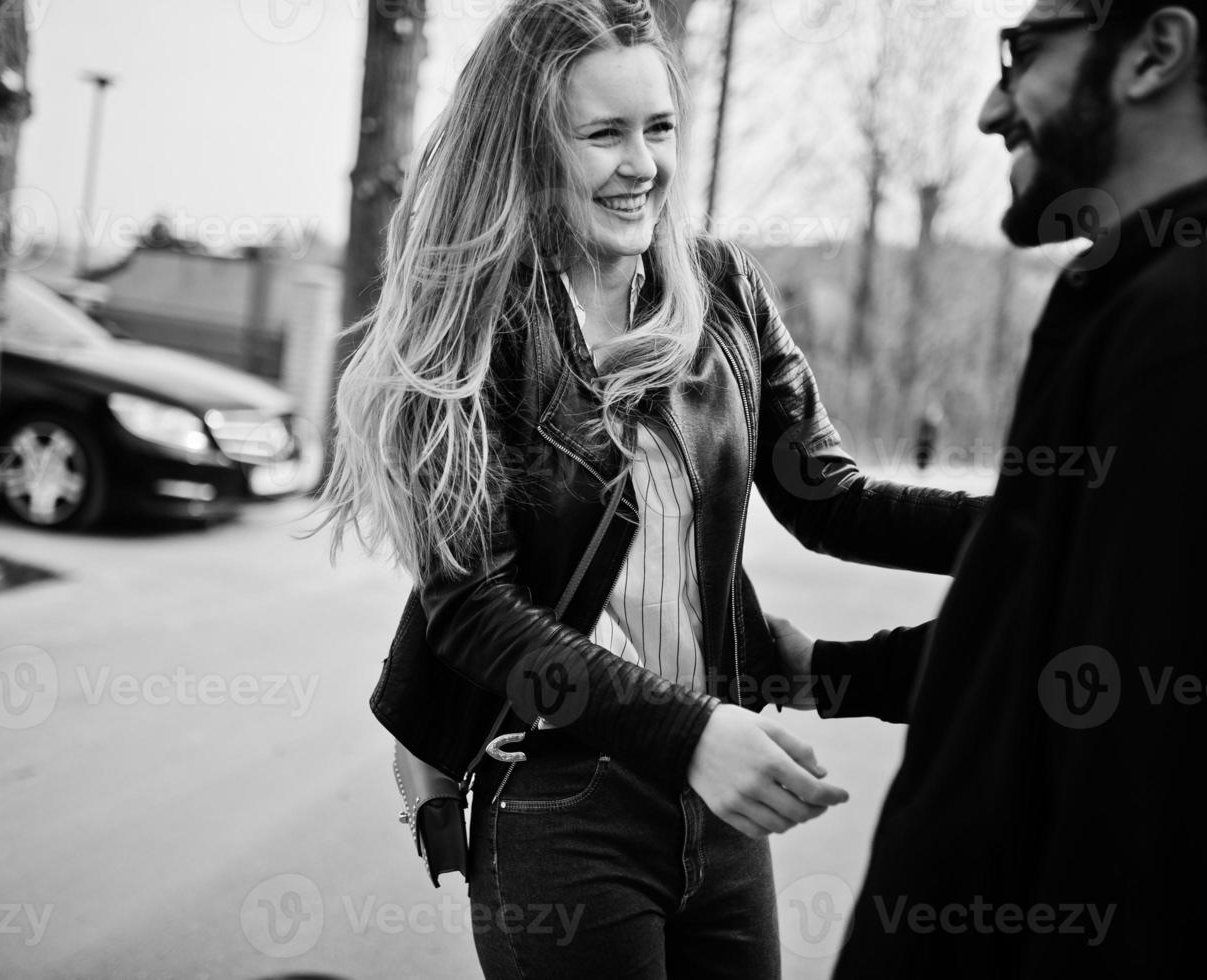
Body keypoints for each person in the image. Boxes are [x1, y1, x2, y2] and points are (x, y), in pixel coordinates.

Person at [316, 1, 986, 976]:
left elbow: (833, 501)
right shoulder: (474, 325)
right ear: (528, 150)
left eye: (659, 127)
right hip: (556, 801)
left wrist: (1050, 527)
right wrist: (691, 732)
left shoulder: (721, 290)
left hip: (712, 791)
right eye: (604, 134)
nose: (644, 165)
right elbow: (469, 604)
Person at [771, 1, 1207, 975]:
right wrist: (827, 668)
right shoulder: (1199, 303)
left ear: (1154, 53)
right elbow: (1064, 636)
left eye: (1024, 52)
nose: (992, 109)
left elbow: (1185, 859)